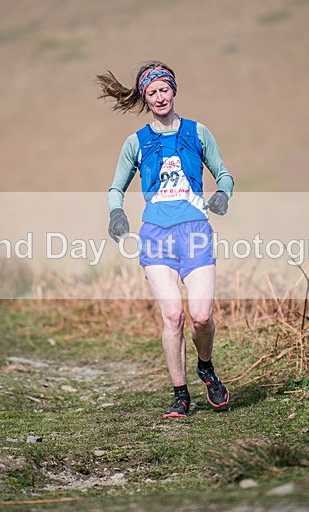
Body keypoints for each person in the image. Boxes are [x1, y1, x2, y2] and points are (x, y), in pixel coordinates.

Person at [96, 61, 234, 418]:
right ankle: (180, 395)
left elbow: (223, 174)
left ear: (174, 90)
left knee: (201, 317)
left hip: (195, 232)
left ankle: (205, 367)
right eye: (152, 92)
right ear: (145, 97)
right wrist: (116, 213)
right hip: (155, 235)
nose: (159, 97)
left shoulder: (198, 132)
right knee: (173, 316)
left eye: (164, 89)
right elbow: (116, 188)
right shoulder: (136, 142)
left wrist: (223, 194)